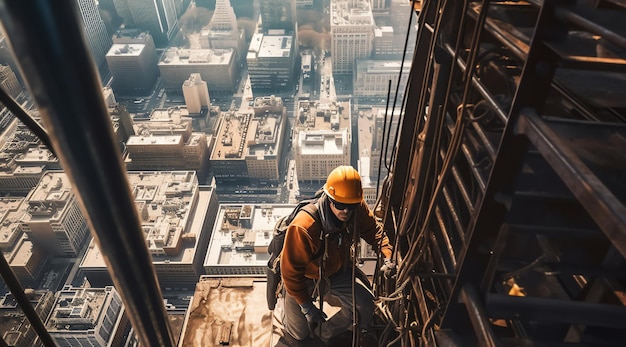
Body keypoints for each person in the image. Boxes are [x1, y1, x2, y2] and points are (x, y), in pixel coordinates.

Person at [279, 165, 394, 345]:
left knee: (365, 305)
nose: (346, 211)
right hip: (305, 278)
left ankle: (327, 332)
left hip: (337, 271)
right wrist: (307, 307)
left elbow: (374, 232)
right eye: (340, 205)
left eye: (351, 206)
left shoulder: (356, 210)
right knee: (298, 334)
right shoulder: (304, 227)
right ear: (329, 198)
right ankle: (287, 311)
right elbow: (290, 273)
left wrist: (387, 256)